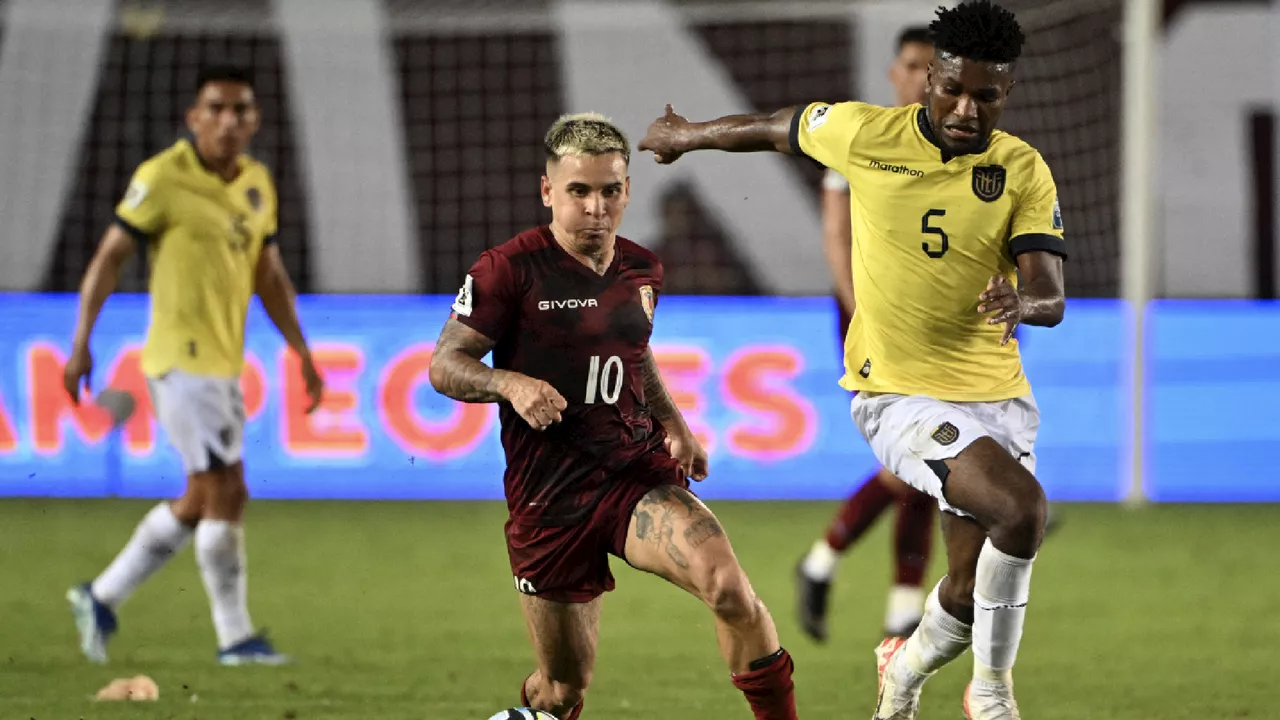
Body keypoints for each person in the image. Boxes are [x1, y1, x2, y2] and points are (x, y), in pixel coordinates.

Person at [638, 2, 1066, 717]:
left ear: (1007, 93)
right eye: (953, 88)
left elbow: (1050, 293)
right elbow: (774, 127)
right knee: (1022, 513)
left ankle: (903, 669)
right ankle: (992, 695)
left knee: (964, 592)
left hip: (996, 396)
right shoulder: (866, 133)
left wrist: (1023, 304)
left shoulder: (1021, 169)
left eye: (985, 97)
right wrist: (688, 135)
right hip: (897, 395)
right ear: (930, 76)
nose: (965, 109)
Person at [429, 113, 798, 720]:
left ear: (627, 190)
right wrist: (509, 383)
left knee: (729, 589)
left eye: (610, 190)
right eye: (579, 191)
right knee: (563, 690)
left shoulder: (641, 268)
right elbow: (445, 364)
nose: (596, 206)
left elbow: (634, 352)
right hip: (550, 497)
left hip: (633, 473)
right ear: (548, 191)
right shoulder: (507, 269)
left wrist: (674, 422)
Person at [63, 65, 323, 666]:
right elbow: (108, 260)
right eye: (217, 108)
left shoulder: (257, 184)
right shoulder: (161, 178)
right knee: (228, 489)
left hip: (222, 363)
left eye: (242, 110)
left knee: (201, 495)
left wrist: (302, 351)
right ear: (194, 117)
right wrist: (81, 342)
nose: (230, 120)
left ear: (255, 119)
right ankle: (235, 639)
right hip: (180, 361)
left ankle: (100, 595)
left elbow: (269, 276)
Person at [796, 25, 939, 645]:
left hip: (933, 318)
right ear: (893, 73)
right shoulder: (864, 138)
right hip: (870, 319)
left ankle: (882, 594)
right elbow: (836, 236)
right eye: (912, 65)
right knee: (925, 453)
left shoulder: (955, 146)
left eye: (933, 67)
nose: (922, 77)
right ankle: (869, 582)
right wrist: (865, 315)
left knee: (931, 451)